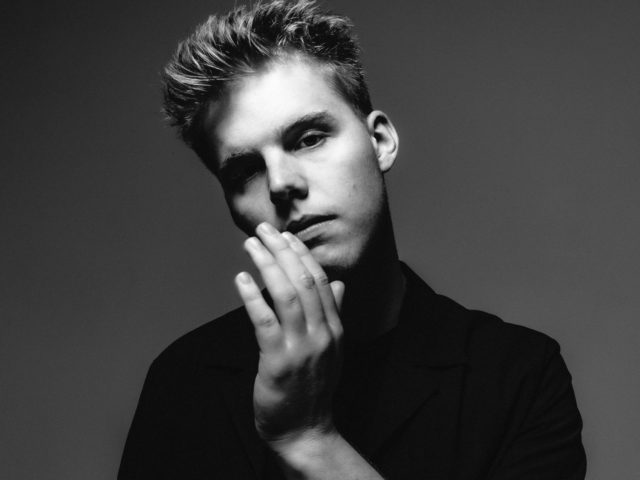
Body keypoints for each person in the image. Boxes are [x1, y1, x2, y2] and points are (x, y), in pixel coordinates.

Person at [119, 1, 586, 478]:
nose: (281, 184)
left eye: (309, 138)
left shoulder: (518, 375)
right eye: (245, 171)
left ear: (380, 142)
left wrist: (307, 438)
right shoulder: (184, 382)